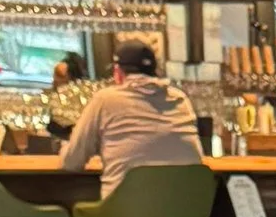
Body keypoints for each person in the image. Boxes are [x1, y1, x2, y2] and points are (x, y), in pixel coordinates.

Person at [62, 39, 199, 191]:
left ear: (118, 72)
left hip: (125, 211)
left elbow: (72, 161)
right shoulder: (180, 99)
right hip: (186, 209)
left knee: (74, 212)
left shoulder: (105, 99)